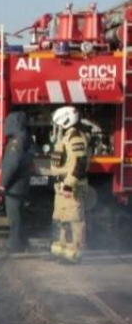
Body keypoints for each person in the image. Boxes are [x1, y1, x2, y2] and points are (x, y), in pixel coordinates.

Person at [49, 106, 90, 264]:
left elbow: (80, 163)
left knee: (74, 220)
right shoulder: (67, 136)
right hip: (62, 187)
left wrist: (69, 184)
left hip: (71, 187)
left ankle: (75, 253)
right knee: (60, 219)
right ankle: (61, 250)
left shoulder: (76, 138)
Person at [0, 111, 34, 253]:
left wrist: (4, 182)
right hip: (22, 185)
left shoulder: (16, 142)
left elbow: (11, 164)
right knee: (21, 217)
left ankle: (14, 245)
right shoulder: (26, 140)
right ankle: (22, 243)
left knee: (14, 218)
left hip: (14, 187)